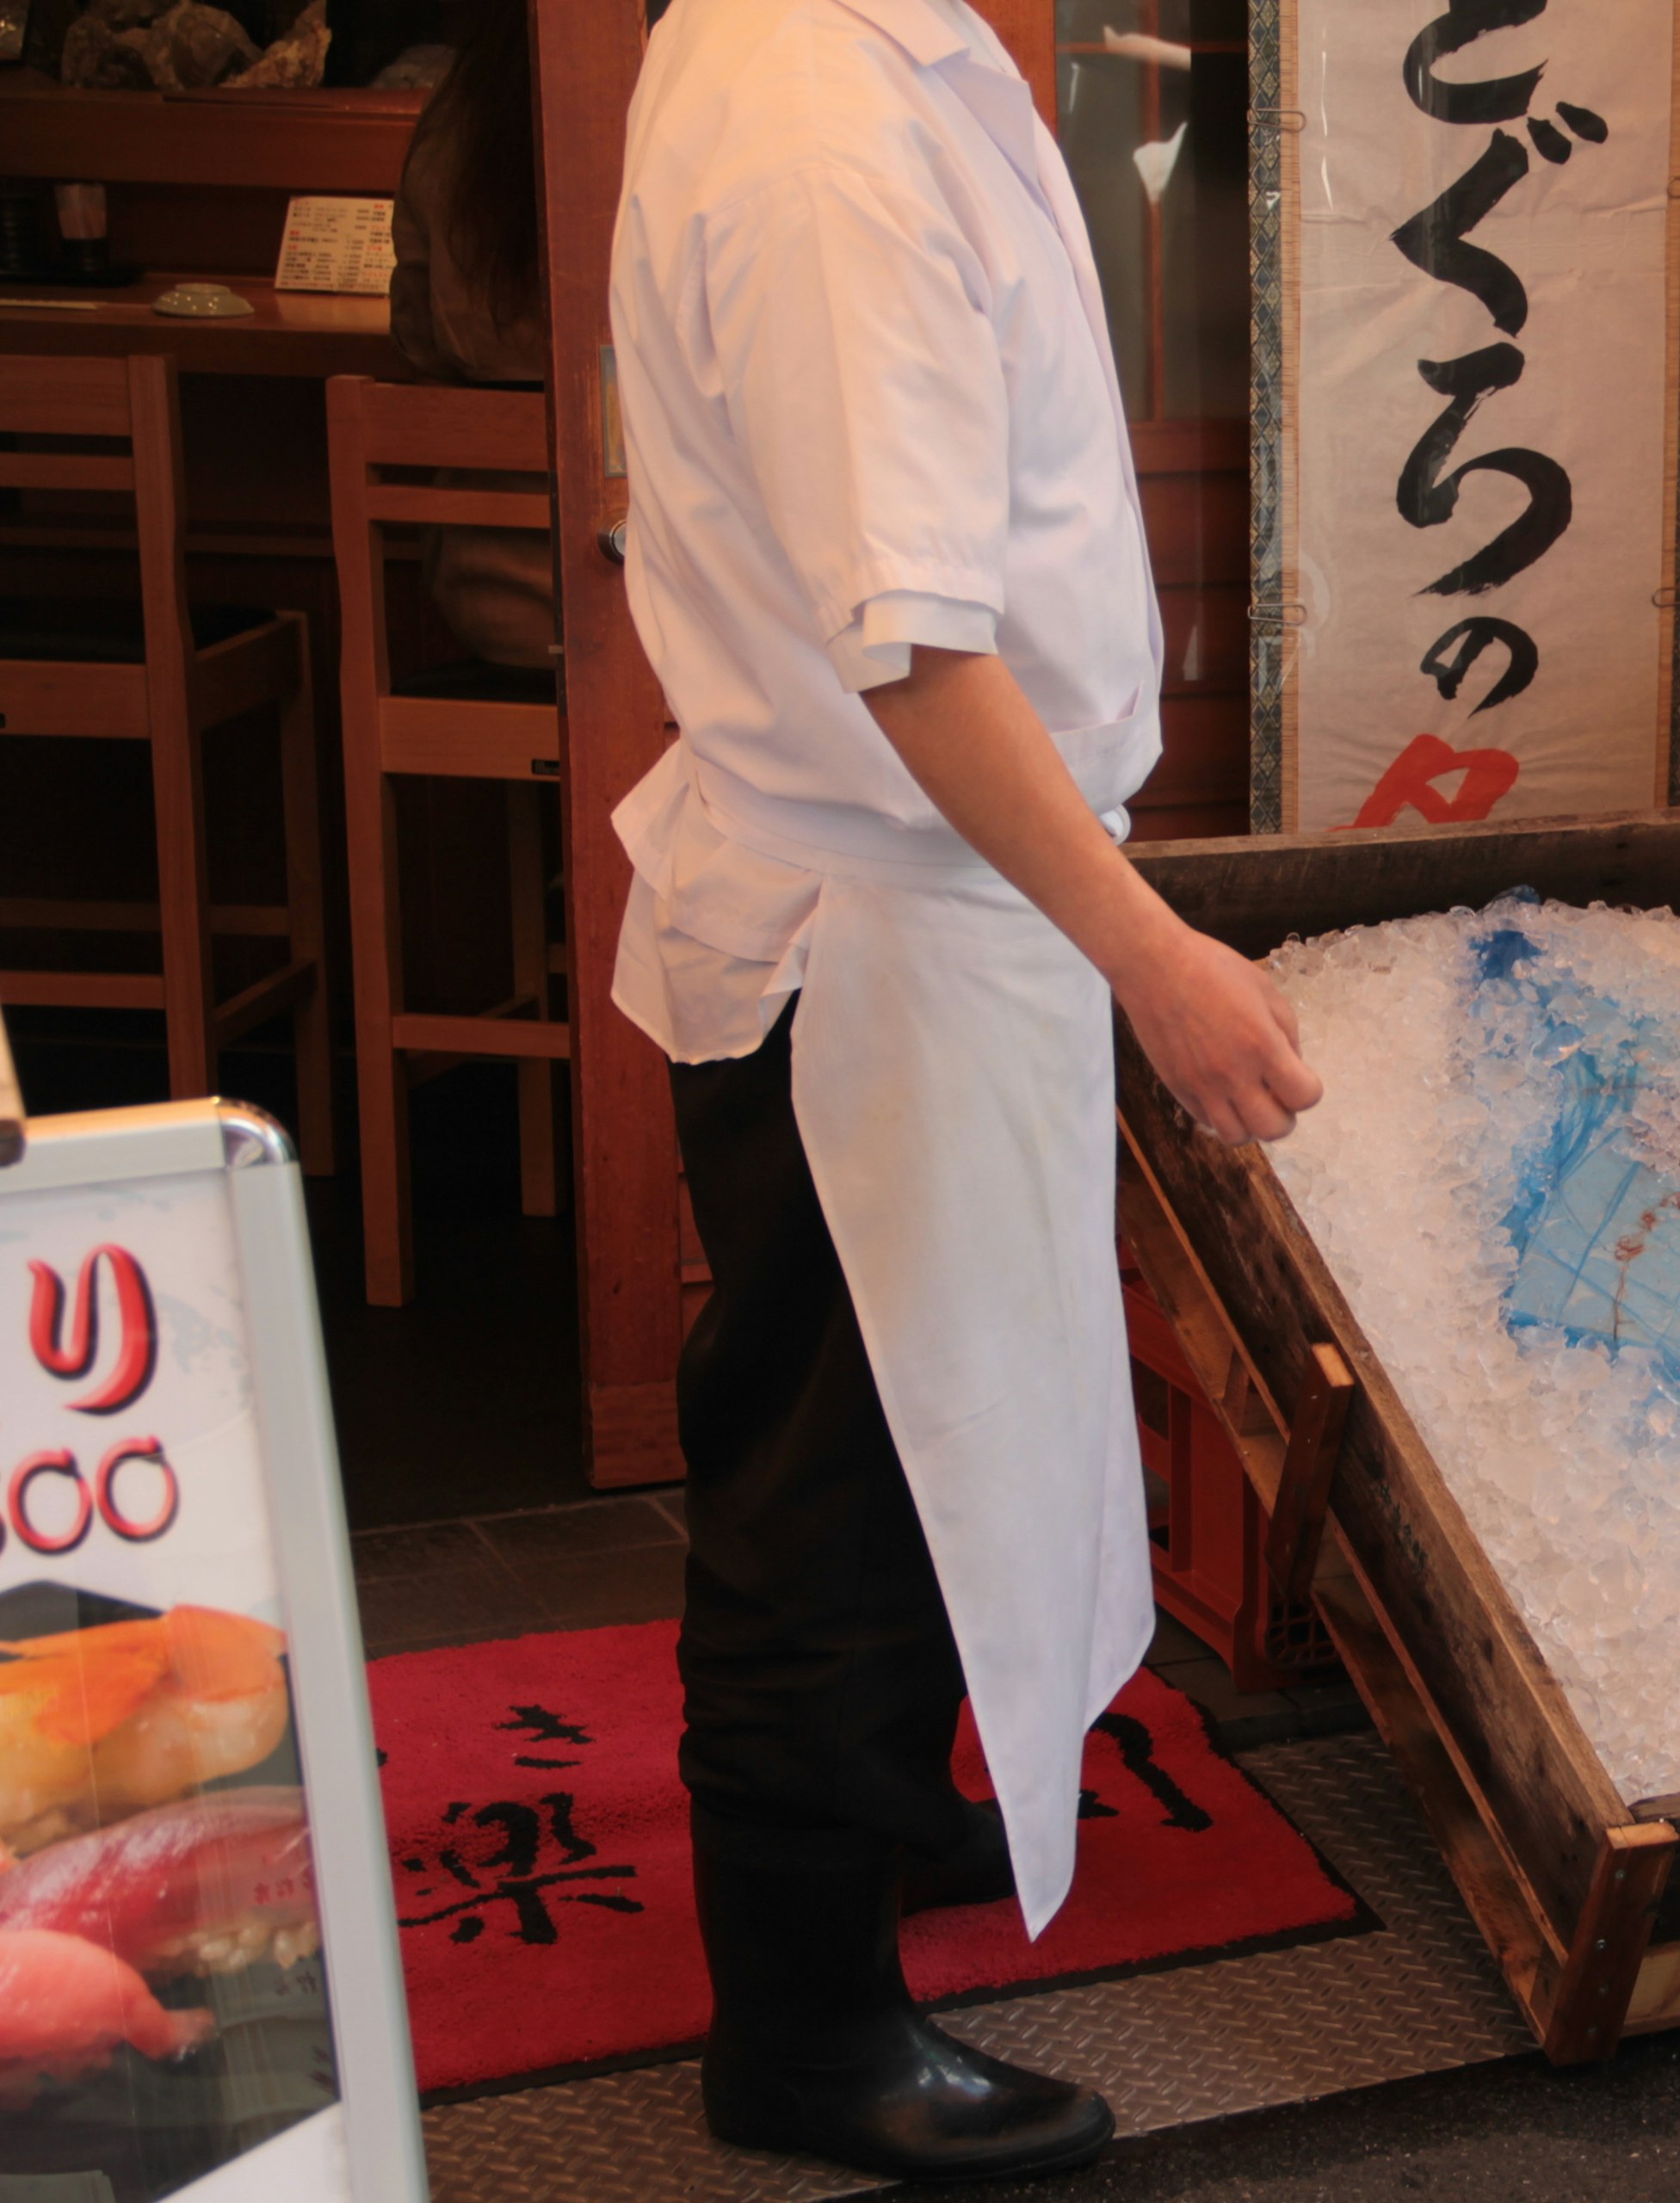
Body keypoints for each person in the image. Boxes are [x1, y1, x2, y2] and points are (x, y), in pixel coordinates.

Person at [605, 0, 1320, 2181]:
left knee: (929, 1442)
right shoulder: (824, 110)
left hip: (933, 908)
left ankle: (888, 1824)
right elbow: (910, 646)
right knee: (834, 1477)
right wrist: (1156, 955)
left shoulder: (873, 46)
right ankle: (806, 2034)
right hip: (882, 923)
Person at [386, 0, 554, 674]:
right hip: (645, 606)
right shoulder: (656, 98)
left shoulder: (454, 116)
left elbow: (415, 333)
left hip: (487, 594)